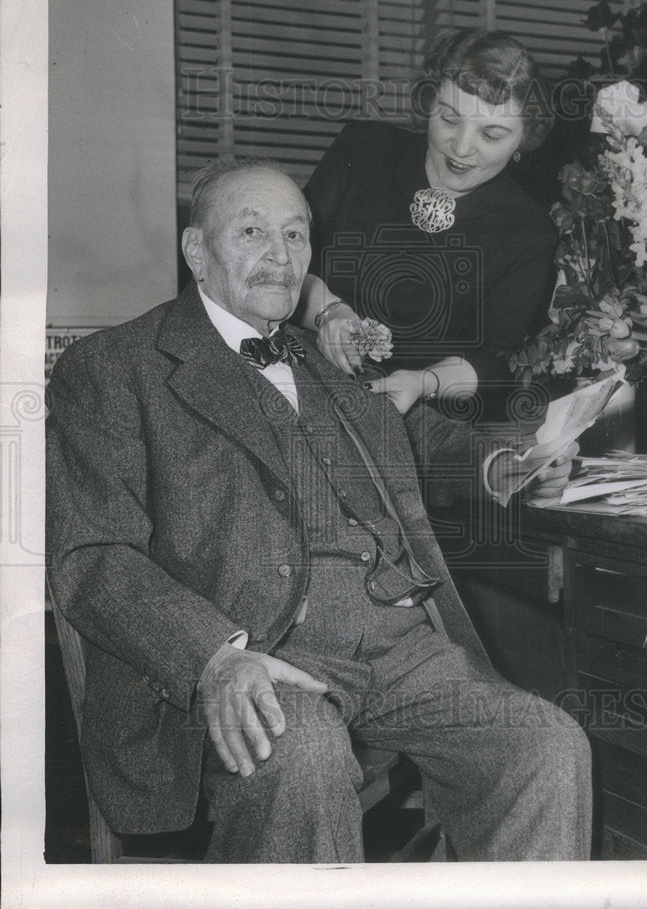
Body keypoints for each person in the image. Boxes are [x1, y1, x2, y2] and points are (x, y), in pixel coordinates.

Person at [46, 158, 591, 863]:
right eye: (252, 232)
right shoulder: (114, 368)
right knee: (300, 757)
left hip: (399, 650)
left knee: (543, 745)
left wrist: (506, 461)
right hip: (252, 654)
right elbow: (94, 555)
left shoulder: (329, 362)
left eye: (296, 236)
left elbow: (416, 434)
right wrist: (213, 658)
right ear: (196, 252)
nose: (280, 256)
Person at [296, 28, 558, 421]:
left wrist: (423, 382)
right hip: (294, 377)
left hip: (416, 417)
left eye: (492, 134)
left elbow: (495, 364)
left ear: (523, 139)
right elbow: (282, 260)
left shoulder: (529, 232)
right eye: (449, 118)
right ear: (430, 100)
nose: (462, 147)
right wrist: (327, 311)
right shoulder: (363, 149)